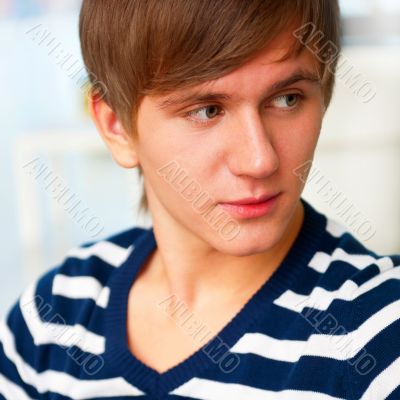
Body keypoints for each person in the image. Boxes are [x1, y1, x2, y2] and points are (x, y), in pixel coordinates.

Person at [1, 1, 400, 399]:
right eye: (207, 110)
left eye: (287, 99)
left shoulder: (380, 333)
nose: (259, 160)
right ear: (117, 127)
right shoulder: (50, 322)